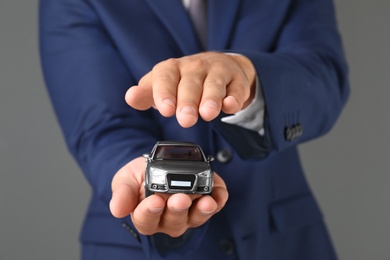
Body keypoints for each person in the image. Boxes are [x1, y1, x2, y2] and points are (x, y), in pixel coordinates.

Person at [39, 0, 349, 259]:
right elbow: (100, 123)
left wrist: (249, 76)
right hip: (134, 249)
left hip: (285, 243)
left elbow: (325, 76)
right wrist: (138, 179)